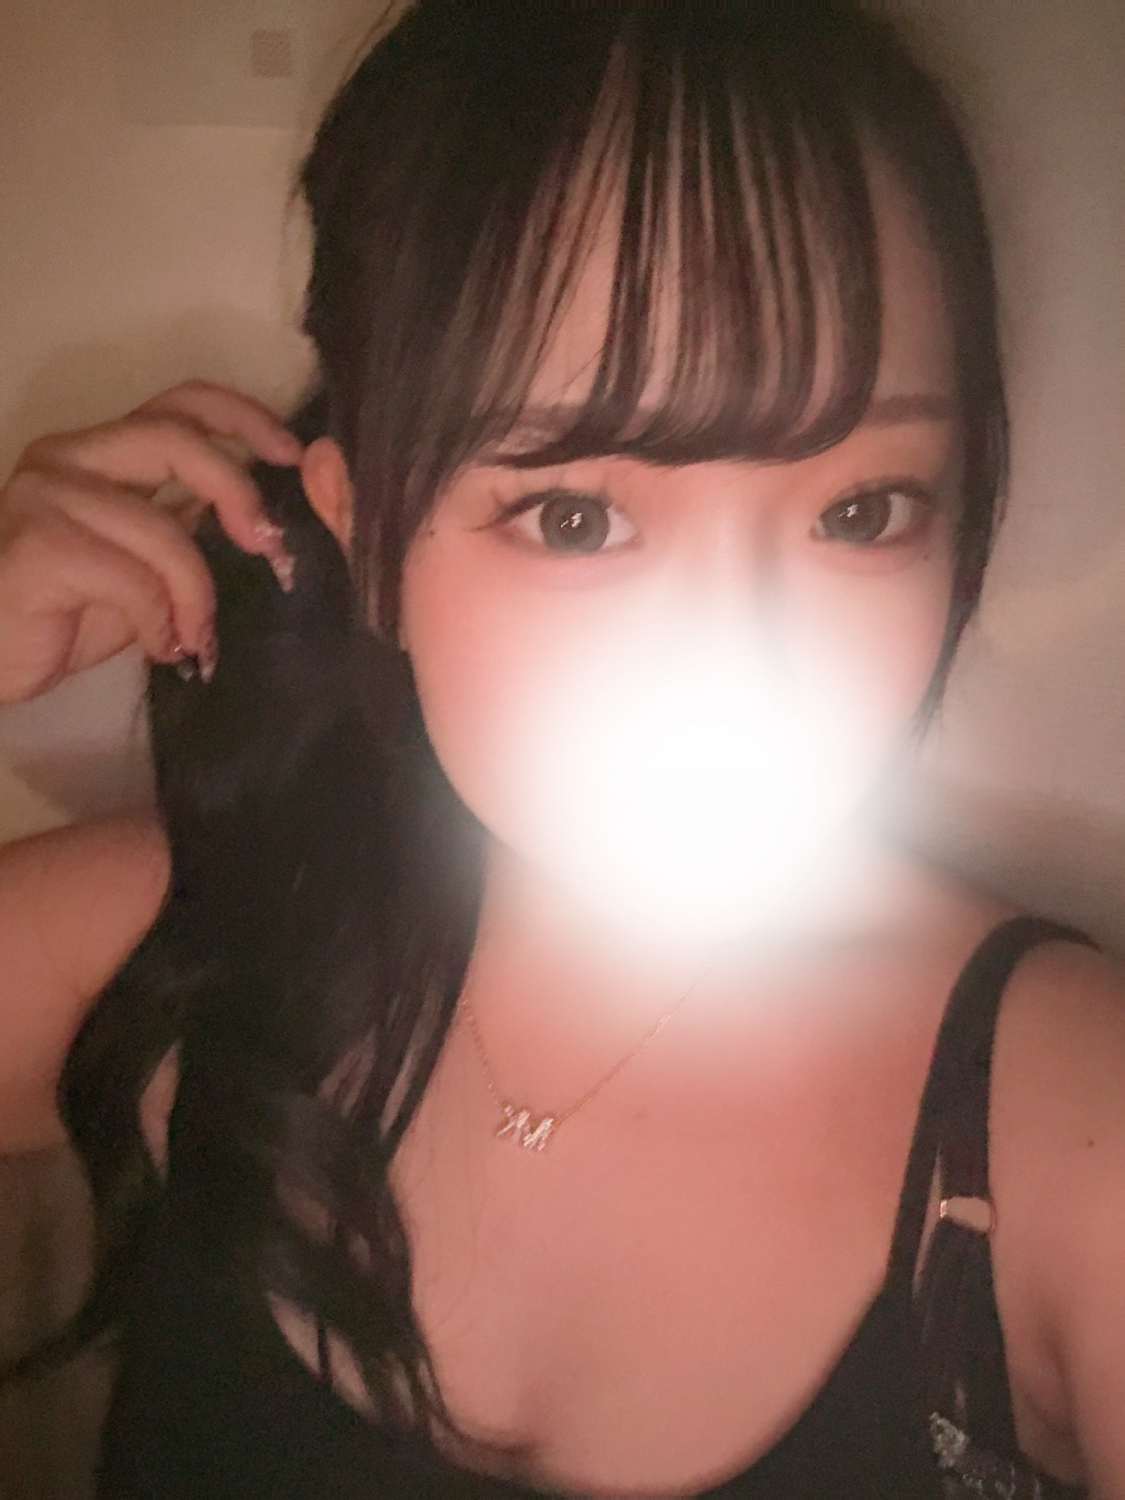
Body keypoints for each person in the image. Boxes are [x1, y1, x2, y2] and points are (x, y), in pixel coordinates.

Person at [0, 5, 1123, 1497]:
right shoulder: (199, 928)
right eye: (576, 517)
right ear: (364, 535)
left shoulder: (1064, 1131)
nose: (740, 662)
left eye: (859, 512)